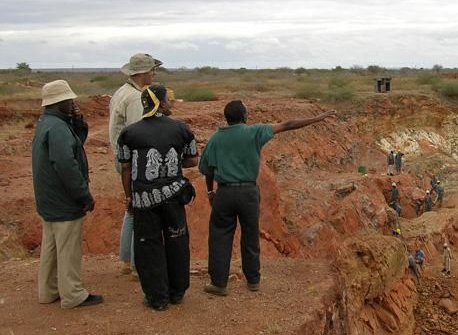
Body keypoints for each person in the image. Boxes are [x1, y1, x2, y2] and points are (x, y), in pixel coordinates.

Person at [199, 100, 335, 296]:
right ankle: (253, 280)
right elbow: (287, 124)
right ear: (244, 116)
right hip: (248, 193)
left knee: (220, 236)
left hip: (224, 193)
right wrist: (318, 118)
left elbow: (207, 169)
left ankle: (219, 284)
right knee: (250, 234)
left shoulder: (215, 139)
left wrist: (211, 192)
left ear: (226, 118)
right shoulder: (254, 132)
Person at [117, 85, 198, 311]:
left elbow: (125, 168)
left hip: (143, 199)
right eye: (167, 101)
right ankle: (177, 291)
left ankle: (157, 298)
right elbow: (193, 160)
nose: (170, 104)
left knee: (148, 247)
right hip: (174, 197)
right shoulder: (180, 129)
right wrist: (172, 163)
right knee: (177, 242)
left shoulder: (129, 133)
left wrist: (128, 196)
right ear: (160, 104)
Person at [31, 80, 102, 308]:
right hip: (63, 200)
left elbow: (74, 145)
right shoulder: (58, 128)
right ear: (60, 102)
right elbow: (66, 165)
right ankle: (73, 294)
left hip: (48, 199)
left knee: (50, 247)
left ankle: (48, 291)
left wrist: (78, 122)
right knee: (68, 249)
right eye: (69, 101)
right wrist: (83, 195)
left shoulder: (48, 123)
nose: (73, 103)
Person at [109, 53, 163, 276]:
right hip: (133, 161)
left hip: (123, 159)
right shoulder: (134, 99)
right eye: (152, 70)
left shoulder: (123, 92)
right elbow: (137, 133)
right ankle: (136, 265)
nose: (154, 73)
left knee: (132, 208)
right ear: (141, 73)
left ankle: (125, 259)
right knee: (141, 209)